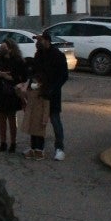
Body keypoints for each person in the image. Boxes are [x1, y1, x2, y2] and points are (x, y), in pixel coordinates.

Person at [34, 31, 70, 160]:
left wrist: (53, 88)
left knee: (55, 121)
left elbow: (64, 76)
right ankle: (39, 148)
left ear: (47, 41)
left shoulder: (57, 55)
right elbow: (35, 70)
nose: (38, 43)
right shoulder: (39, 54)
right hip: (40, 93)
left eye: (41, 40)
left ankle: (59, 148)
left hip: (53, 94)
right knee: (39, 122)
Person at [0, 39, 28, 152]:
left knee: (11, 117)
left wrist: (9, 77)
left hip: (12, 92)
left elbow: (23, 77)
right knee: (1, 117)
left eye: (5, 47)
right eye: (2, 47)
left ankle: (13, 143)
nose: (2, 49)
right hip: (0, 92)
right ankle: (3, 142)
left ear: (11, 48)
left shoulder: (17, 61)